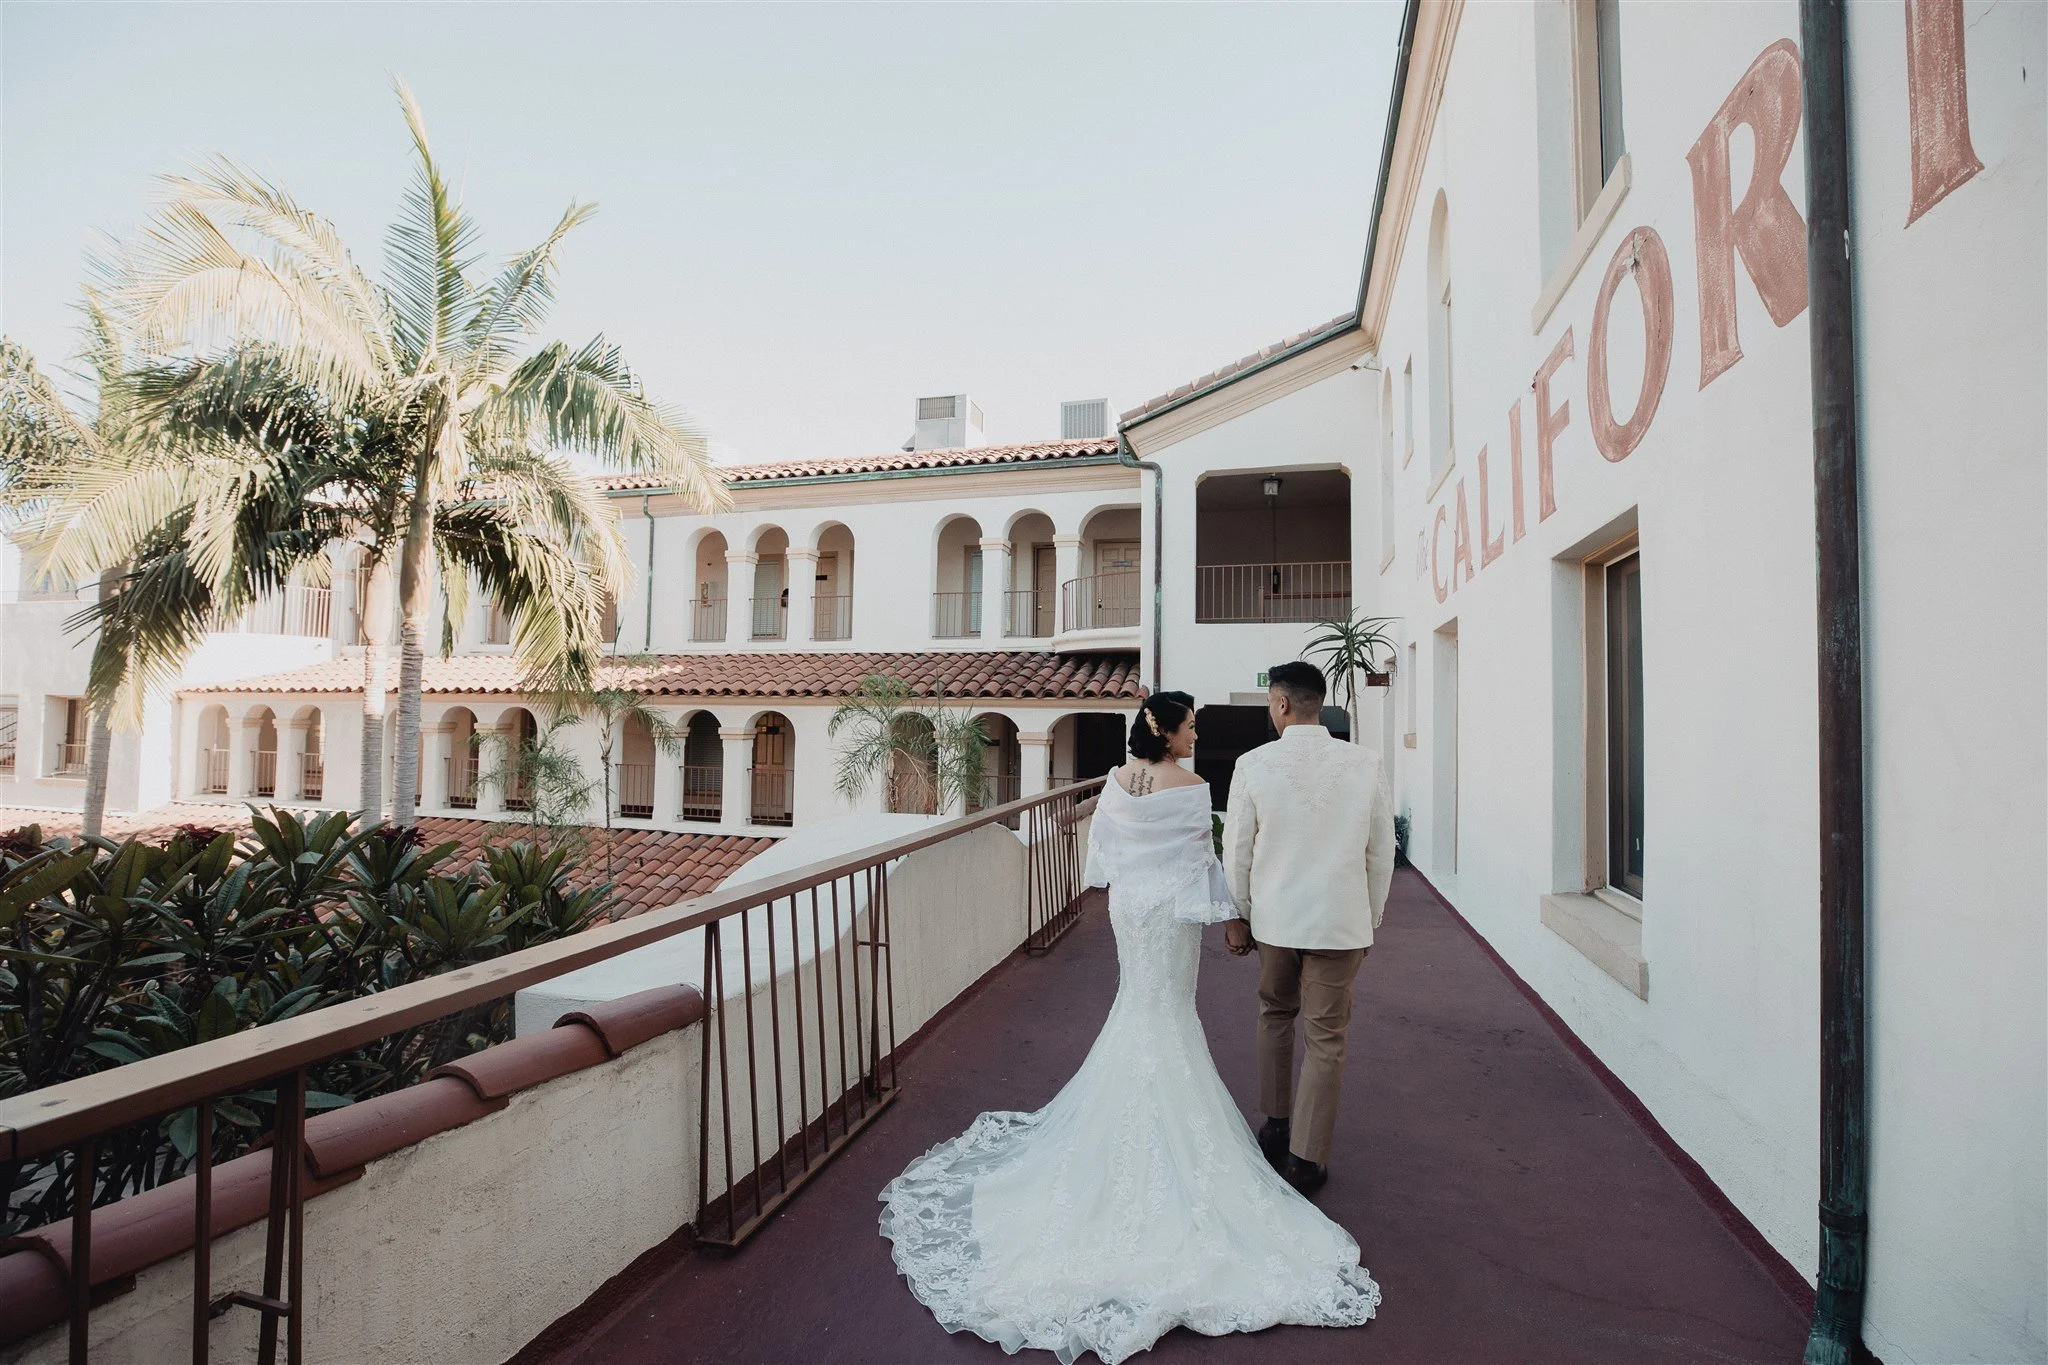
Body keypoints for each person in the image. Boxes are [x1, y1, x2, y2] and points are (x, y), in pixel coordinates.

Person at [879, 690, 1380, 1365]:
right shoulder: (1194, 784)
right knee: (1170, 1012)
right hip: (1170, 912)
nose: (1197, 733)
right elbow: (1203, 859)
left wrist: (1131, 882)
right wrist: (1229, 916)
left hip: (1130, 909)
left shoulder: (1116, 782)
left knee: (1136, 1007)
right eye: (1191, 724)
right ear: (1168, 731)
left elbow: (1105, 852)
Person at [1220, 660, 1398, 1198]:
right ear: (1319, 703)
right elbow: (1381, 852)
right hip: (1340, 924)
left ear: (1279, 704)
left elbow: (1238, 850)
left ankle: (1275, 1125)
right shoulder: (1366, 763)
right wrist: (1369, 918)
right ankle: (1306, 1159)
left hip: (1276, 920)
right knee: (1327, 1039)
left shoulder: (1253, 765)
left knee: (1274, 1014)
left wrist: (1241, 913)